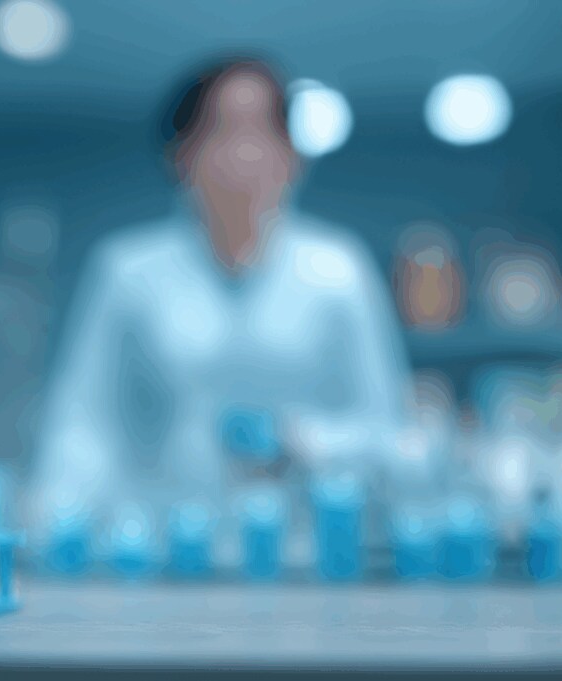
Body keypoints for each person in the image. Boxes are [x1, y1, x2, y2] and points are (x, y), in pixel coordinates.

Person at [25, 55, 412, 568]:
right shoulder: (128, 272)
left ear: (293, 155)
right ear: (179, 156)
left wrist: (306, 440)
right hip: (160, 553)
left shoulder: (339, 272)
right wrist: (52, 528)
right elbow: (84, 422)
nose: (242, 155)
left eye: (262, 131)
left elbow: (390, 431)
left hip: (305, 555)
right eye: (222, 132)